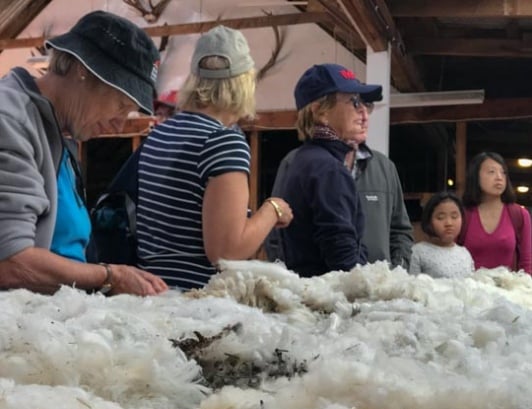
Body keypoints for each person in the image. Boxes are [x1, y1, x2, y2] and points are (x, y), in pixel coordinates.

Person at [0, 10, 168, 296]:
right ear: (83, 70)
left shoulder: (61, 131)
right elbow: (11, 262)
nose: (120, 123)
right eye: (120, 104)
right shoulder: (10, 119)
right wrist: (110, 276)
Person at [133, 25, 293, 290]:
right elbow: (226, 252)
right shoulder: (223, 142)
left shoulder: (158, 135)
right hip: (198, 304)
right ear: (245, 83)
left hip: (151, 292)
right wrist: (272, 210)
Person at [265, 79, 413, 270]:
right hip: (343, 293)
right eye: (354, 103)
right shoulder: (323, 168)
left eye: (367, 105)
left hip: (360, 291)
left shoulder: (384, 167)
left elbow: (400, 230)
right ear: (321, 112)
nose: (364, 114)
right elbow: (343, 258)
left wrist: (396, 275)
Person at [458, 151, 532, 274]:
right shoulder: (464, 215)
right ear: (476, 176)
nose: (499, 177)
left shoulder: (519, 214)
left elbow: (527, 261)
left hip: (508, 289)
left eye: (503, 173)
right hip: (470, 290)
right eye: (491, 172)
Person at [409, 191, 474, 278]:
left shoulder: (465, 253)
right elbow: (411, 288)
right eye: (440, 218)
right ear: (429, 221)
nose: (449, 223)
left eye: (454, 217)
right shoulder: (417, 252)